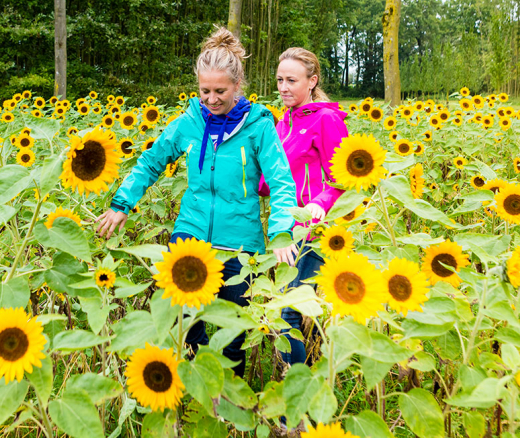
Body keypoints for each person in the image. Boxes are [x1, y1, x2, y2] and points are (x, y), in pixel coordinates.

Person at [96, 27, 298, 377]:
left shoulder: (260, 127)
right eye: (205, 91)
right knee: (184, 322)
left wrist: (281, 232)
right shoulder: (189, 122)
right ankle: (195, 384)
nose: (212, 99)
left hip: (240, 246)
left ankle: (229, 402)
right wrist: (121, 203)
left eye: (220, 91)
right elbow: (151, 162)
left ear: (238, 86)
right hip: (189, 236)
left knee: (235, 330)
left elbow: (282, 182)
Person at [260, 47, 349, 367]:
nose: (283, 87)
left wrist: (319, 204)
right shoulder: (283, 121)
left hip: (314, 229)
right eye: (280, 80)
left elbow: (342, 178)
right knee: (287, 311)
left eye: (292, 81)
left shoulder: (325, 120)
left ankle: (297, 400)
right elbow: (278, 177)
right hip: (286, 228)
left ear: (312, 81)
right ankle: (298, 393)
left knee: (287, 312)